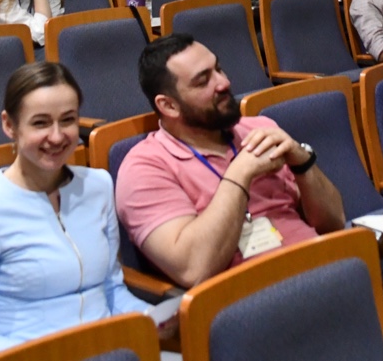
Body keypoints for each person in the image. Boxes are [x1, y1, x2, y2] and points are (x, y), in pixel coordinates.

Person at [0, 61, 167, 352]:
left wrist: (153, 317)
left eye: (67, 120)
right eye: (40, 123)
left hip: (112, 350)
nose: (56, 136)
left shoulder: (99, 185)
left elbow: (111, 289)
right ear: (9, 125)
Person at [114, 34, 346, 287]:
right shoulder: (144, 168)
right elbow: (193, 269)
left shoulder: (260, 129)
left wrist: (302, 162)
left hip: (325, 268)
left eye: (219, 69)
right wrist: (240, 174)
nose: (224, 83)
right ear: (169, 105)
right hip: (255, 297)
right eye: (203, 81)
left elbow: (334, 223)